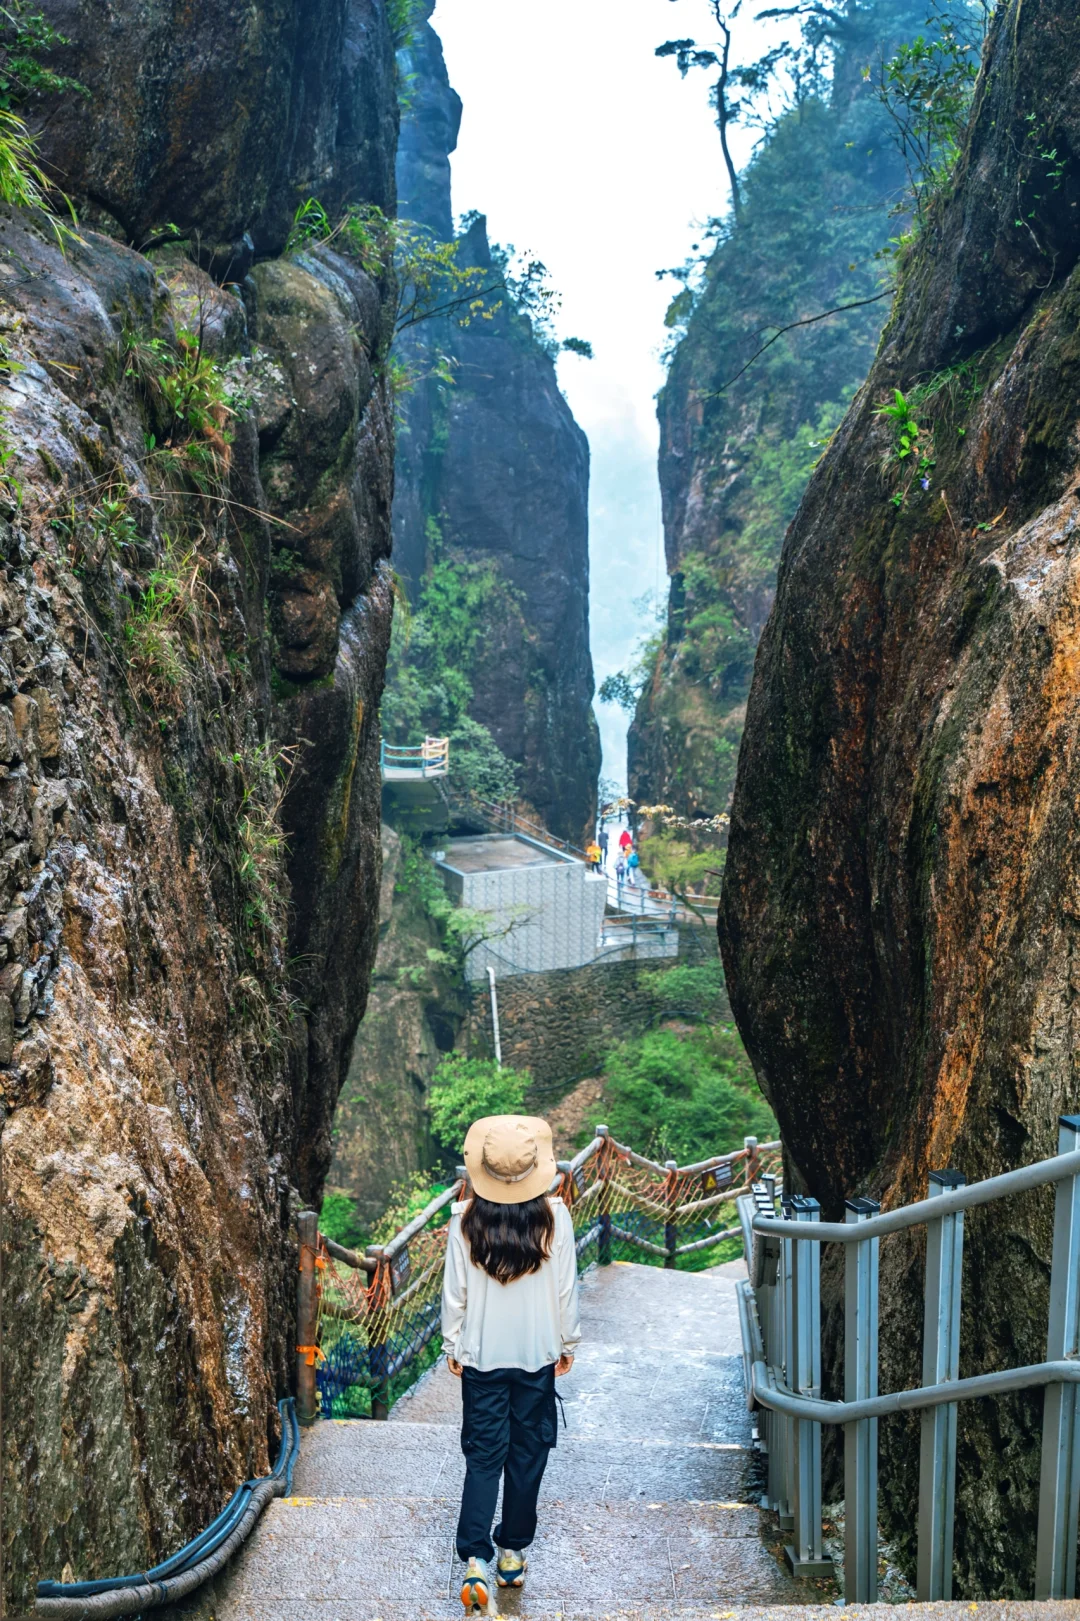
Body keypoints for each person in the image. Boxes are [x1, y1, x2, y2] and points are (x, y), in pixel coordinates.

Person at [442, 1115, 581, 1614]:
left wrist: (452, 1346)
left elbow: (455, 1293)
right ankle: (512, 1554)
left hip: (482, 1357)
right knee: (528, 1453)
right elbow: (565, 1287)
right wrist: (568, 1342)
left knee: (483, 1455)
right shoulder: (555, 1216)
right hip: (536, 1355)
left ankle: (474, 1559)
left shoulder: (463, 1218)